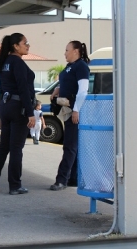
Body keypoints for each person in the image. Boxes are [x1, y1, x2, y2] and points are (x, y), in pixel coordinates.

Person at [0, 33, 36, 195]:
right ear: (15, 46)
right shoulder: (18, 63)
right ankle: (15, 185)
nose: (28, 46)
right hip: (17, 107)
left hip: (5, 106)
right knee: (16, 148)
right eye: (25, 43)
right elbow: (23, 89)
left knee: (3, 147)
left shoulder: (4, 62)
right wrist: (30, 113)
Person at [49, 41, 90, 190]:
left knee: (70, 146)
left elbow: (83, 90)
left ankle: (62, 179)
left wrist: (76, 110)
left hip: (74, 111)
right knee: (74, 147)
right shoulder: (70, 67)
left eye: (67, 50)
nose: (65, 53)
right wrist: (58, 89)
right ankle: (74, 178)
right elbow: (68, 83)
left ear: (76, 51)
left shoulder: (81, 66)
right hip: (68, 110)